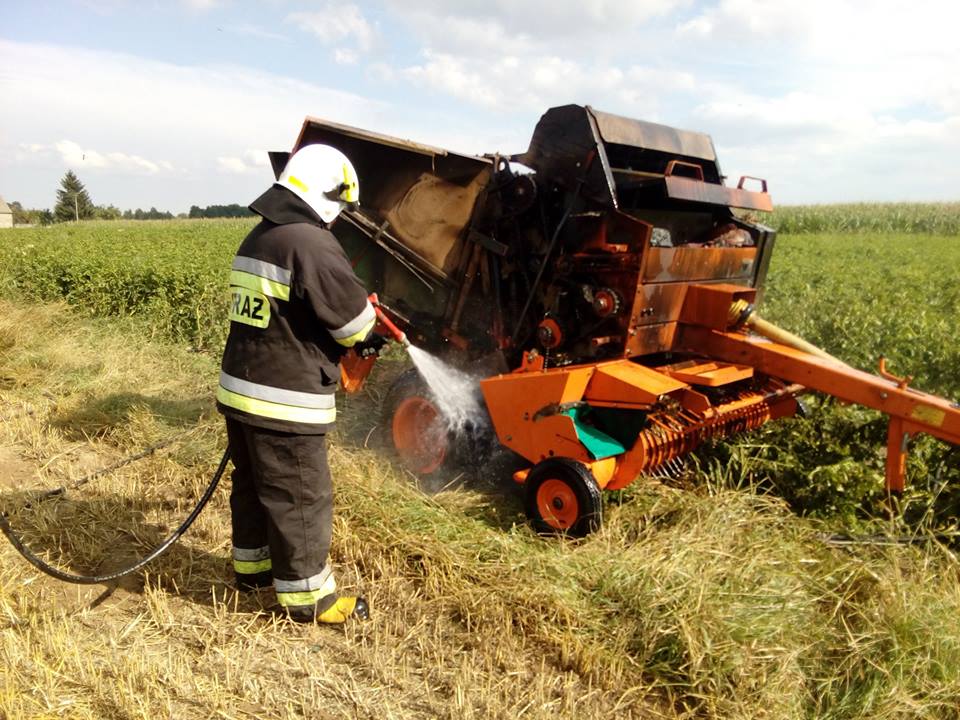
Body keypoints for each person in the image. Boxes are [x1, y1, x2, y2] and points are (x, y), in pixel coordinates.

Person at [216, 144, 384, 623]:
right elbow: (353, 328)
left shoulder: (258, 238)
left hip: (242, 391)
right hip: (286, 401)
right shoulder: (310, 242)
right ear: (327, 195)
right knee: (300, 496)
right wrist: (368, 325)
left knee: (253, 486)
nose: (338, 219)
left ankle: (253, 571)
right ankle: (311, 599)